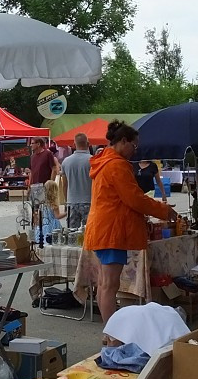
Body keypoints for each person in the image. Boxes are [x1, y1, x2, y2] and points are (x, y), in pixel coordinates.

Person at [83, 120, 177, 322]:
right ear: (123, 141)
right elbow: (134, 198)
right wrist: (164, 210)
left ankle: (109, 334)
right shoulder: (116, 165)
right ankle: (113, 335)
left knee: (104, 284)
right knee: (109, 285)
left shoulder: (103, 162)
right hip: (112, 231)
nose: (135, 151)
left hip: (103, 228)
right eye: (134, 146)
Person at [61, 132, 93, 228]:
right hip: (89, 201)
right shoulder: (93, 161)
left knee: (72, 234)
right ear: (88, 144)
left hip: (72, 201)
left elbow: (64, 184)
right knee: (88, 233)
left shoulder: (66, 161)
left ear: (74, 145)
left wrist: (66, 201)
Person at [26, 137, 59, 205]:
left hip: (45, 185)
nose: (30, 145)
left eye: (32, 143)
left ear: (38, 144)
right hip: (35, 186)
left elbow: (54, 168)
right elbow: (31, 172)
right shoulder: (32, 157)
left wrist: (50, 183)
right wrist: (29, 185)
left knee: (46, 206)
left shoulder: (47, 154)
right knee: (35, 208)